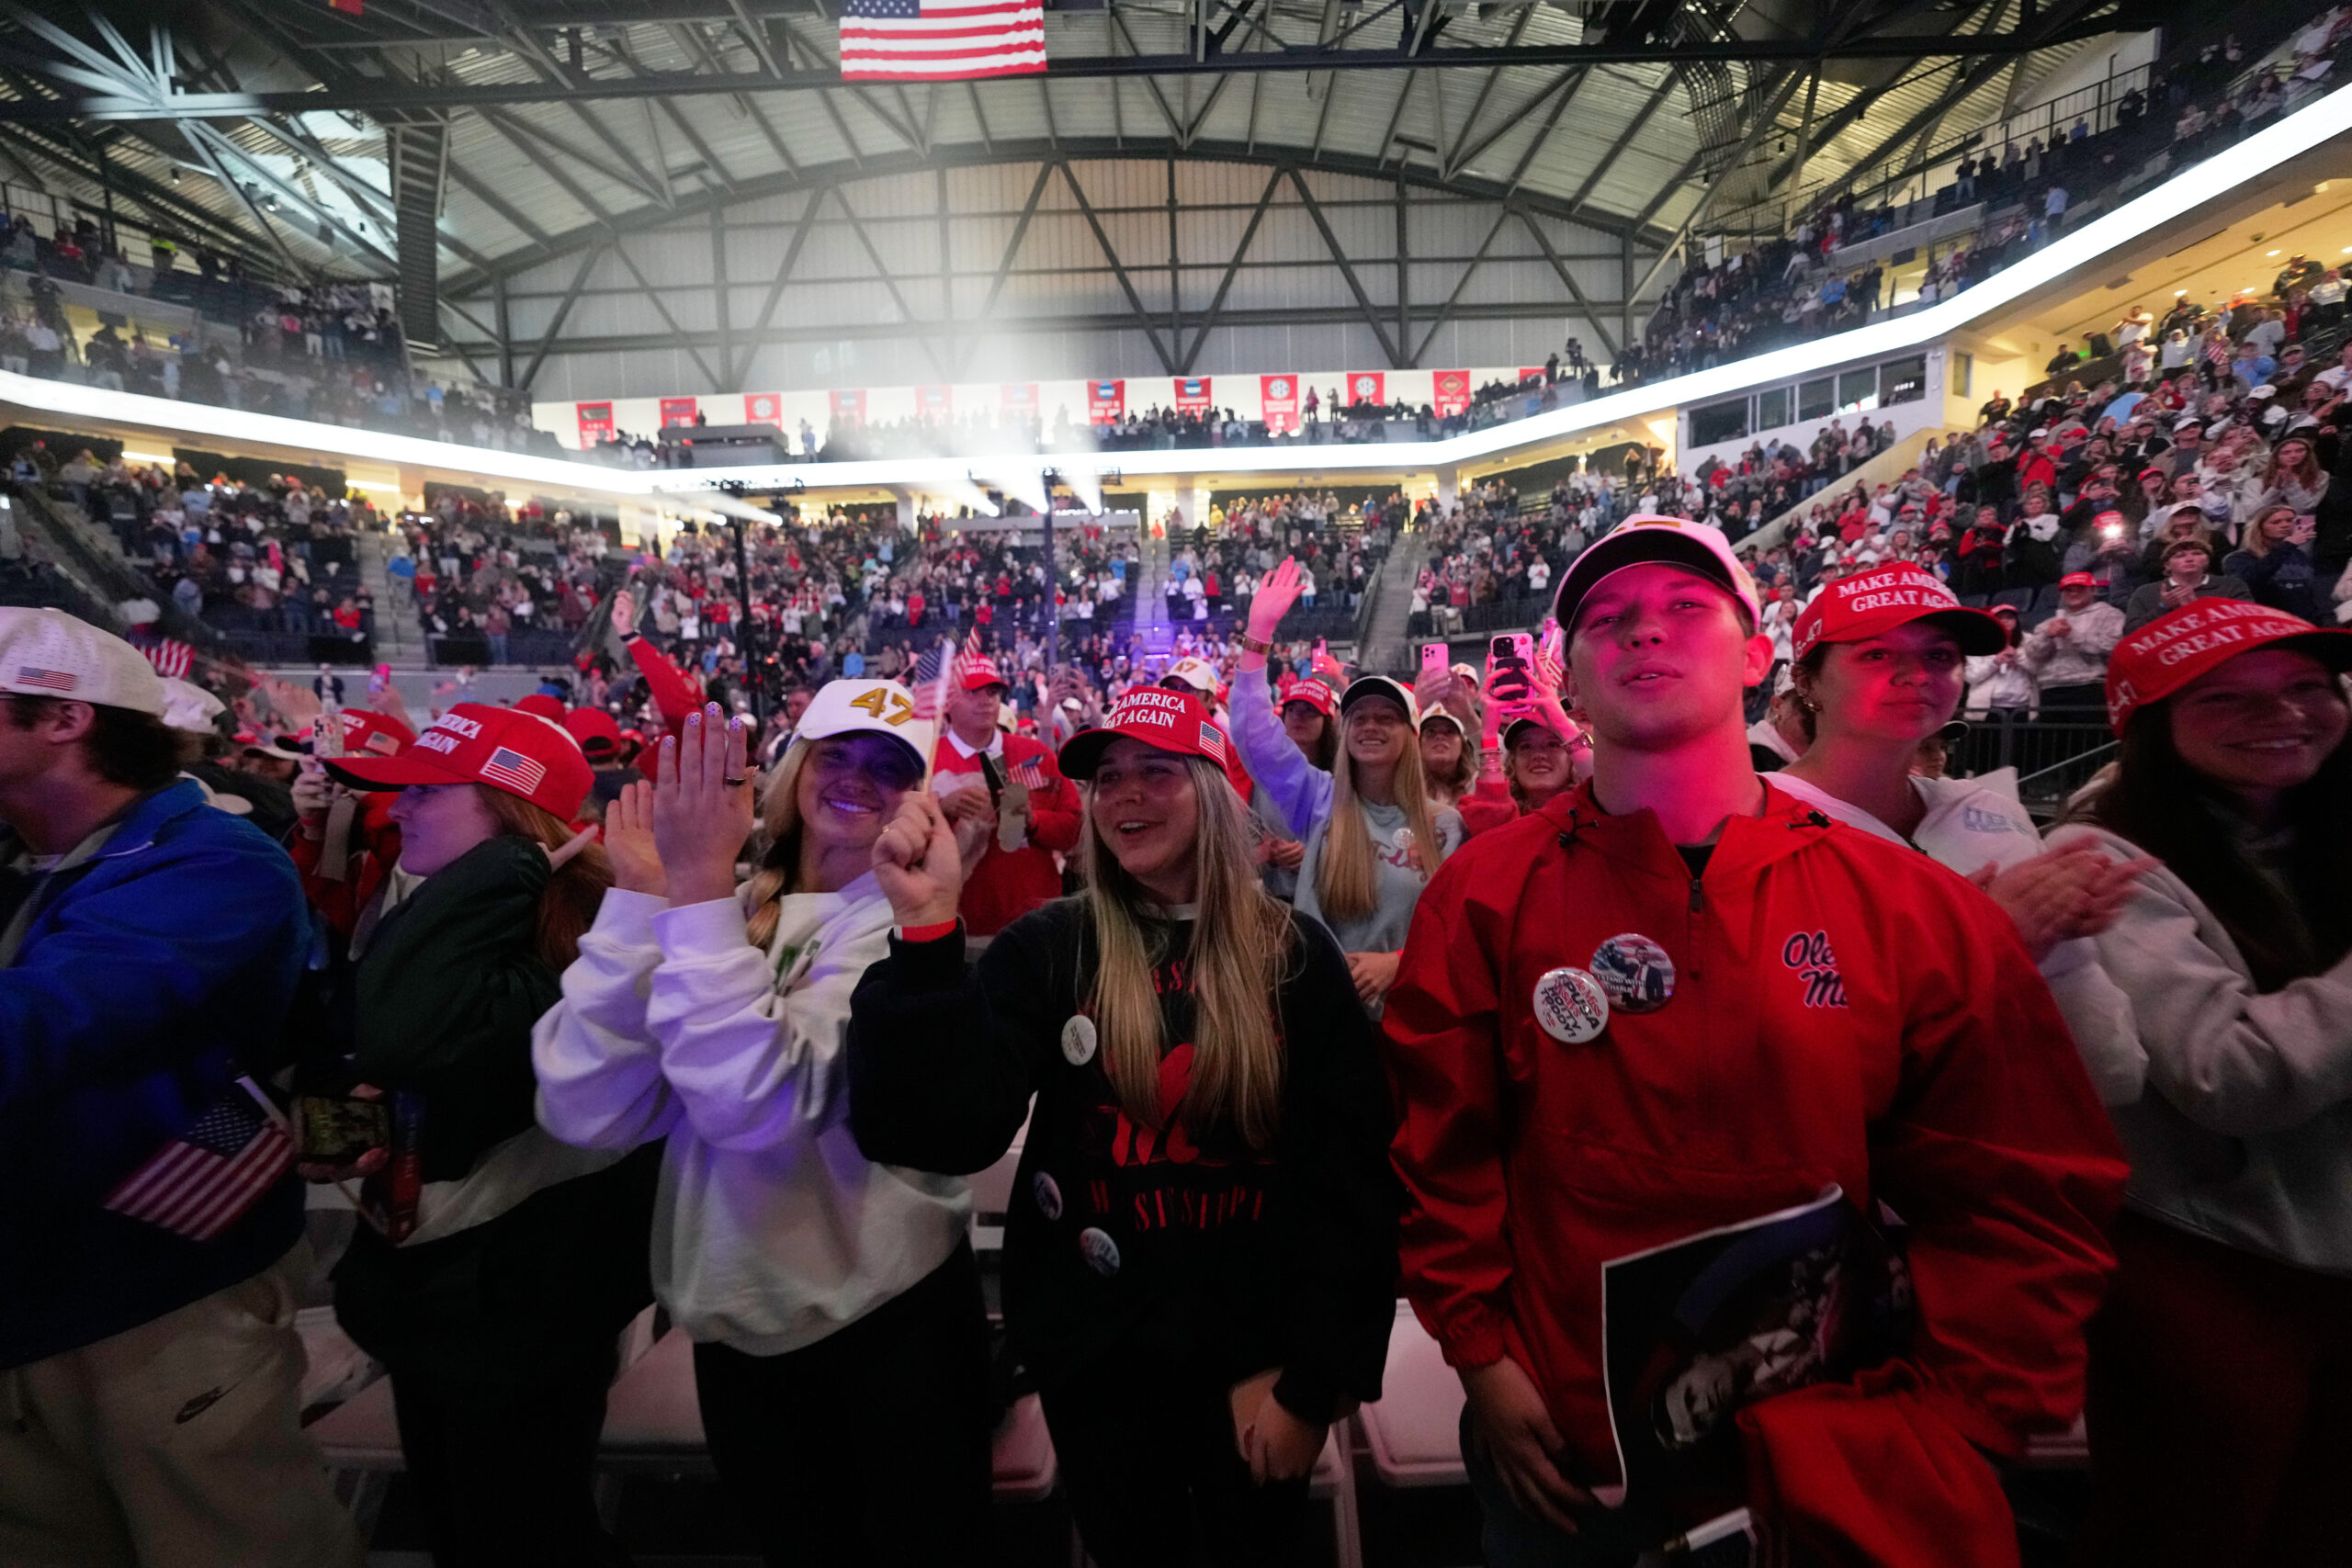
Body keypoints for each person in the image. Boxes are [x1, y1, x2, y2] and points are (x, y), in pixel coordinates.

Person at [1383, 518, 2126, 1565]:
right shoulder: (1484, 893)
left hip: (1839, 1450)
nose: (1646, 634)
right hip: (1562, 1448)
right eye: (1609, 620)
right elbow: (1438, 1148)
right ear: (1569, 681)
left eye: (1685, 609)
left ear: (1756, 651)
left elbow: (2025, 1190)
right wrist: (1481, 1357)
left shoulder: (1907, 906)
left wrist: (1956, 1414)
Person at [843, 686, 1399, 1568]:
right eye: (1107, 776)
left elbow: (1353, 1185)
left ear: (1214, 790)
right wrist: (923, 932)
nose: (1123, 794)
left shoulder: (1293, 954)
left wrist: (1312, 1382)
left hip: (1257, 1371)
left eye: (1156, 771)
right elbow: (942, 1129)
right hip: (1100, 1373)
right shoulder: (1049, 946)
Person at [535, 682, 995, 1568]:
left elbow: (754, 1104)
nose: (859, 779)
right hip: (741, 1332)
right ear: (796, 770)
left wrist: (696, 890)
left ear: (921, 800)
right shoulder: (727, 908)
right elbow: (581, 1104)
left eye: (891, 768)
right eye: (838, 755)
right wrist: (640, 896)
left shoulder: (894, 933)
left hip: (886, 1325)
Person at [0, 608, 362, 1568]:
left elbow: (45, 1026)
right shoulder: (32, 859)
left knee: (230, 1541)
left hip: (159, 1292)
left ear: (63, 719)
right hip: (32, 1287)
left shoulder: (213, 858)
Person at [307, 701, 657, 1568]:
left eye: (427, 792)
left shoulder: (574, 939)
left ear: (509, 816)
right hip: (432, 1300)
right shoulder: (445, 915)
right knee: (460, 1528)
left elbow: (410, 1035)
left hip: (518, 1316)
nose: (398, 810)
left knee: (527, 1535)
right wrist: (342, 1127)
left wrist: (510, 863)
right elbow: (401, 1068)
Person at [2047, 602, 2352, 1565]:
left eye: (2306, 686)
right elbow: (2228, 1073)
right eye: (2227, 698)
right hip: (2210, 1268)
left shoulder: (2325, 831)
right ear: (2151, 724)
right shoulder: (2099, 858)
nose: (2284, 714)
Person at [1295, 675, 1462, 1012]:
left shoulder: (1445, 825)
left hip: (1420, 1014)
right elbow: (1307, 922)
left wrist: (1398, 962)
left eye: (1386, 718)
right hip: (1343, 1013)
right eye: (1359, 719)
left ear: (1410, 733)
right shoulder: (1327, 821)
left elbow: (1456, 926)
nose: (1370, 727)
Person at [931, 653, 1084, 936]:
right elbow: (889, 834)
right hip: (957, 929)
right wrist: (939, 808)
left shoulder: (1037, 754)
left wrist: (1033, 820)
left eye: (992, 691)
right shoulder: (924, 762)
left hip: (1037, 925)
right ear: (948, 700)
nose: (986, 699)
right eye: (972, 691)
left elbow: (1077, 829)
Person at [2022, 570, 2127, 709]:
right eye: (2068, 590)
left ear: (2094, 590)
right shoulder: (2048, 623)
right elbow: (2033, 655)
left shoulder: (2110, 614)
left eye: (2080, 589)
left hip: (2091, 686)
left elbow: (2114, 647)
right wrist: (2047, 636)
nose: (2074, 593)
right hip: (2051, 687)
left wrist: (2073, 636)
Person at [2222, 503, 2324, 620]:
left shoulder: (2299, 555)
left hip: (2302, 623)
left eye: (2290, 520)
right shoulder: (2239, 558)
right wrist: (2287, 546)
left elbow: (2309, 594)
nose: (2285, 525)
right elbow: (2251, 581)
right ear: (2260, 527)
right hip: (2265, 621)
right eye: (2276, 522)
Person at [2123, 537, 2249, 631]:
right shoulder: (2146, 592)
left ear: (2207, 560)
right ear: (2167, 565)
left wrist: (2197, 608)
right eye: (2180, 556)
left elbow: (2248, 623)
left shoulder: (2231, 586)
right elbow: (2130, 632)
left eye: (2197, 553)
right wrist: (2163, 608)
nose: (2189, 559)